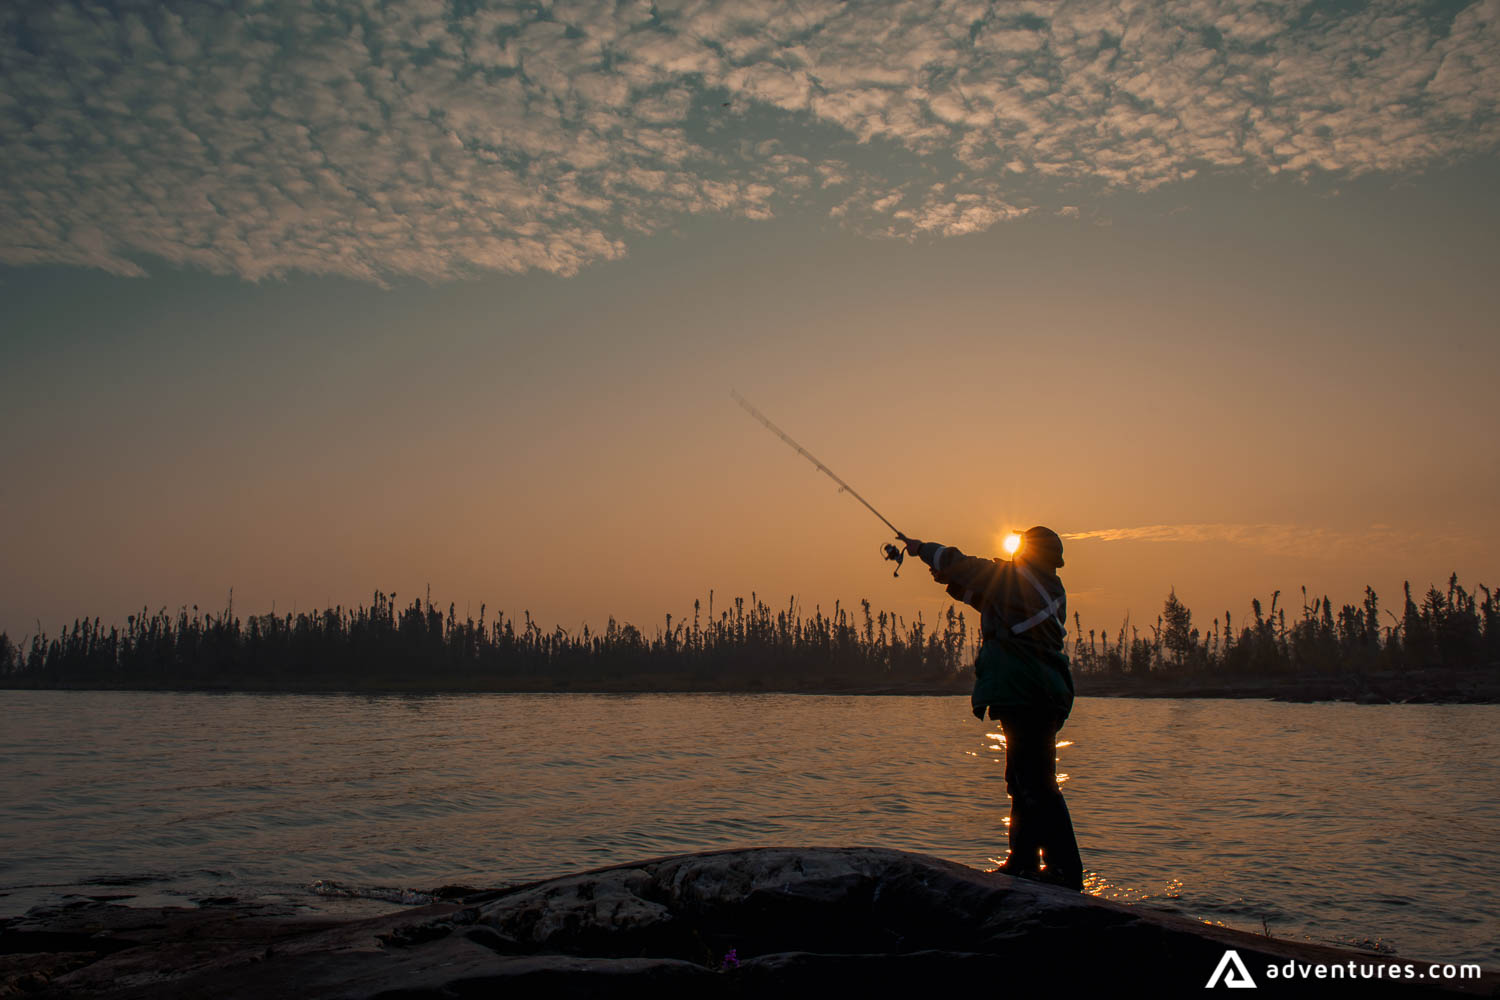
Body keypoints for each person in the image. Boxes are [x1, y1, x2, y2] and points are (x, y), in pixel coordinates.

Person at [901, 526, 1083, 891]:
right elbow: (983, 596)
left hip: (1030, 694)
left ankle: (1064, 870)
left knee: (1037, 784)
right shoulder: (1040, 587)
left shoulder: (1020, 581)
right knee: (1022, 781)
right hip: (1035, 694)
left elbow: (962, 565)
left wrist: (921, 549)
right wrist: (949, 582)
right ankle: (1024, 861)